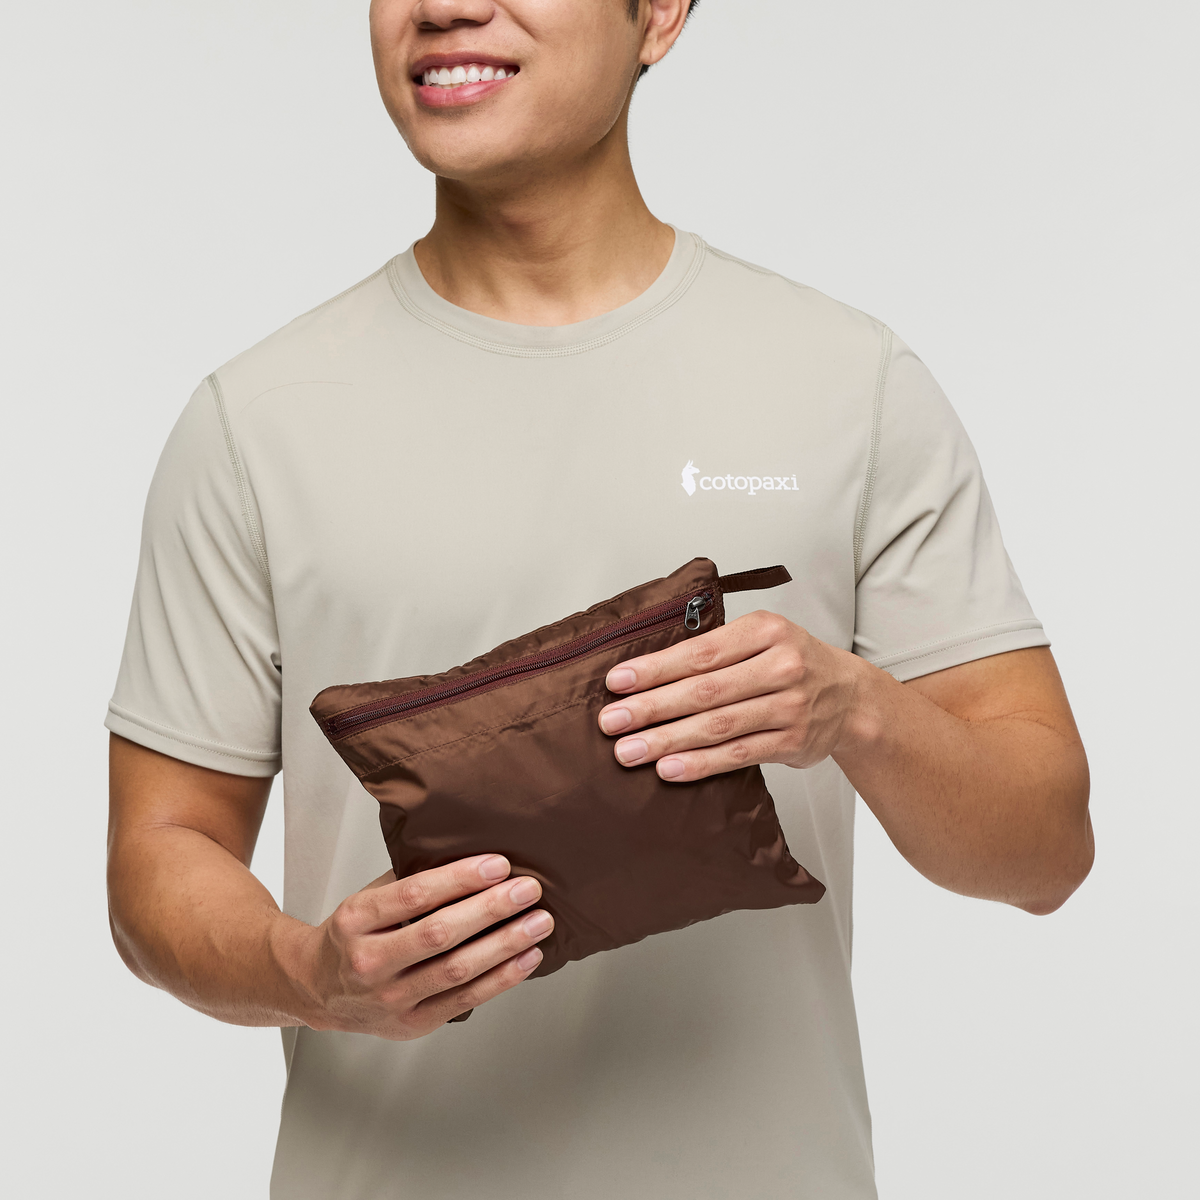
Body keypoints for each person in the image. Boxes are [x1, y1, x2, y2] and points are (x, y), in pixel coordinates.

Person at [105, 2, 1094, 1196]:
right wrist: (307, 971)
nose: (444, 7)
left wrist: (857, 713)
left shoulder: (848, 383)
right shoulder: (252, 425)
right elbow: (160, 851)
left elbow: (1047, 851)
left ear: (660, 15)